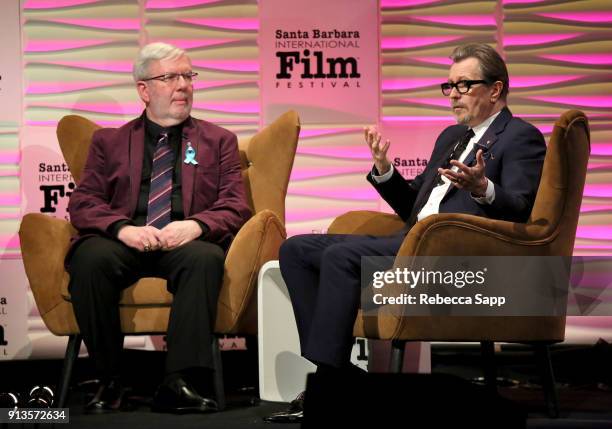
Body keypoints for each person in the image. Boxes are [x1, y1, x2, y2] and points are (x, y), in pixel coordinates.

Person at [264, 43, 546, 423]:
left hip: (453, 254)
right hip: (410, 239)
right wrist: (384, 170)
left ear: (495, 89)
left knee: (339, 257)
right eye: (449, 86)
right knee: (295, 250)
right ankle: (340, 374)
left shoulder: (521, 137)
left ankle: (328, 384)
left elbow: (521, 206)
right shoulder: (451, 137)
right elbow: (412, 206)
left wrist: (483, 188)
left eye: (464, 85)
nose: (454, 95)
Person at [66, 42, 251, 413]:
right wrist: (121, 228)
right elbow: (83, 203)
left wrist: (197, 225)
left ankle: (178, 381)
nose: (183, 85)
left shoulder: (220, 141)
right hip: (127, 238)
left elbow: (236, 205)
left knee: (205, 259)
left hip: (183, 241)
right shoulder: (109, 142)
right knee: (90, 258)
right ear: (144, 90)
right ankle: (109, 379)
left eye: (188, 75)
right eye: (170, 77)